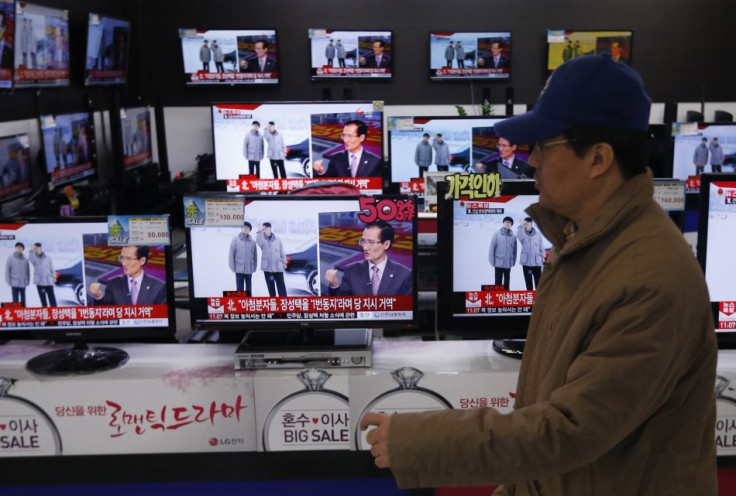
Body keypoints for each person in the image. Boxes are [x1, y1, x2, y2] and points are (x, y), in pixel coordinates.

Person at [361, 53, 717, 495]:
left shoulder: (650, 279)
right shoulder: (584, 242)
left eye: (543, 148)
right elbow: (549, 415)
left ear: (598, 159)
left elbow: (569, 430)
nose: (530, 164)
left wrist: (420, 442)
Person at [325, 220, 412, 296]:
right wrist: (334, 284)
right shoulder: (351, 270)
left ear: (386, 244)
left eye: (371, 242)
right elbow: (342, 303)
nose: (365, 248)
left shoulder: (404, 275)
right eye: (363, 241)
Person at [89, 245, 167, 305]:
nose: (124, 263)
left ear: (142, 261)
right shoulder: (113, 283)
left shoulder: (158, 286)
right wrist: (98, 296)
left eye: (129, 259)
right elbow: (105, 314)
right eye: (122, 258)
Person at [313, 120, 382, 178]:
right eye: (344, 135)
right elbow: (329, 184)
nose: (345, 140)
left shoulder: (375, 162)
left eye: (350, 136)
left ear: (361, 138)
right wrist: (321, 171)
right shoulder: (336, 158)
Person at [256, 222, 287, 297]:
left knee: (282, 289)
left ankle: (284, 304)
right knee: (271, 290)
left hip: (278, 268)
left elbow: (282, 252)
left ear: (270, 229)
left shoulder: (278, 240)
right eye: (263, 229)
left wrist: (284, 262)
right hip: (267, 269)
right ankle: (274, 305)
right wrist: (259, 231)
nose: (265, 230)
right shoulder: (262, 241)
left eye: (266, 229)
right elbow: (258, 240)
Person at [228, 221, 257, 296]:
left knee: (248, 290)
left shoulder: (253, 242)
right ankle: (240, 305)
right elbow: (231, 254)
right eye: (244, 227)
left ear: (249, 230)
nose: (245, 229)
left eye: (247, 228)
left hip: (249, 270)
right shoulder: (235, 240)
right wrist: (232, 266)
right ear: (241, 228)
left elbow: (255, 256)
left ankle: (248, 304)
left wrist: (254, 267)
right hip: (239, 269)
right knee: (239, 290)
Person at [516, 217, 544, 290]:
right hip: (526, 263)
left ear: (531, 224)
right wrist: (521, 226)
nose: (526, 225)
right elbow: (519, 236)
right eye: (525, 224)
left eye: (527, 223)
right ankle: (530, 300)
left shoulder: (538, 234)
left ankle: (538, 300)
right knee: (529, 285)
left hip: (537, 263)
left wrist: (543, 256)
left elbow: (541, 246)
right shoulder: (522, 234)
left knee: (538, 284)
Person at [489, 216, 517, 290]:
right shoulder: (497, 234)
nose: (507, 224)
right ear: (503, 223)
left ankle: (506, 297)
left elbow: (515, 250)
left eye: (509, 223)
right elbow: (492, 248)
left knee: (507, 284)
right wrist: (492, 261)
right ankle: (497, 299)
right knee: (498, 284)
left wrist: (513, 261)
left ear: (511, 225)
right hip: (498, 263)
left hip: (508, 264)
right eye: (506, 222)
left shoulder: (513, 236)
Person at [28, 243, 57, 307]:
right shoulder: (34, 259)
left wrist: (54, 277)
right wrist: (31, 250)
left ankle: (54, 311)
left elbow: (52, 268)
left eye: (36, 248)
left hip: (49, 281)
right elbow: (30, 258)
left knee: (52, 298)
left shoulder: (48, 257)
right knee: (43, 300)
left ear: (40, 248)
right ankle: (45, 312)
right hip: (40, 282)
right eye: (34, 248)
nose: (35, 249)